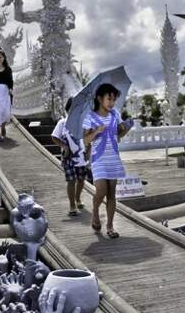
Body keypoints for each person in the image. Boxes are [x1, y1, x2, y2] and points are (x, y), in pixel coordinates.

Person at [82, 83, 134, 238]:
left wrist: (127, 126)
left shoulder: (115, 114)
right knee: (101, 191)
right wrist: (96, 131)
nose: (112, 103)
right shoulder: (90, 117)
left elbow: (119, 134)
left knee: (112, 194)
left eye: (114, 100)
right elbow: (85, 140)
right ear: (99, 98)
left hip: (113, 157)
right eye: (109, 99)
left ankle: (110, 226)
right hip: (98, 158)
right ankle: (95, 211)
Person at [51, 97, 87, 216]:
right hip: (68, 157)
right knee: (71, 180)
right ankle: (72, 204)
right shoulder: (62, 123)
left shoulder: (82, 123)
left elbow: (86, 138)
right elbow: (54, 137)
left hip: (81, 156)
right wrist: (64, 147)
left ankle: (78, 199)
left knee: (81, 180)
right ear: (68, 108)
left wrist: (88, 148)